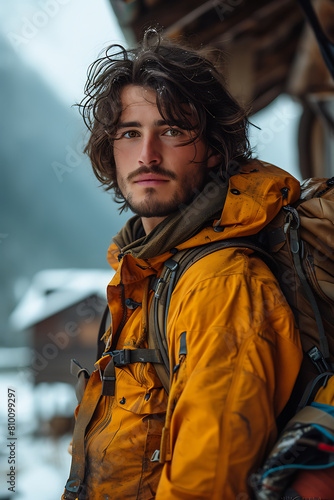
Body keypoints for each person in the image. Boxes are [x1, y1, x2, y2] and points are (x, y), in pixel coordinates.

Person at [62, 29, 303, 500]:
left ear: (214, 149)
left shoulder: (221, 286)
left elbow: (207, 485)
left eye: (171, 131)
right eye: (130, 133)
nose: (147, 155)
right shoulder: (145, 272)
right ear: (111, 152)